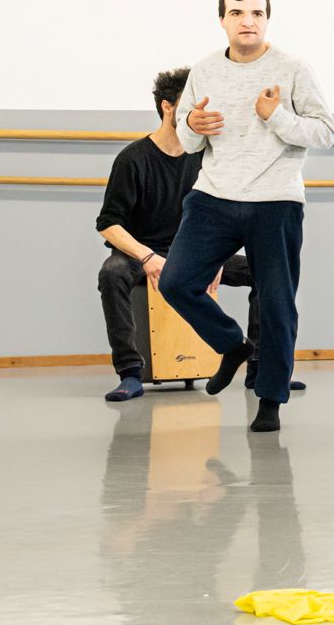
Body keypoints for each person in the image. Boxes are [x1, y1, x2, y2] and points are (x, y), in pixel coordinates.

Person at [160, 0, 334, 433]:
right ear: (223, 20)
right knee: (176, 281)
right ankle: (232, 345)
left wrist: (276, 117)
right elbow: (188, 141)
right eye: (237, 13)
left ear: (267, 19)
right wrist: (193, 122)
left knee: (277, 304)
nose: (247, 21)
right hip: (213, 197)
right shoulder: (204, 70)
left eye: (256, 13)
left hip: (275, 200)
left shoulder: (293, 68)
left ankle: (270, 399)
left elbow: (324, 132)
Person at [95, 66, 272, 402]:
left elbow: (225, 212)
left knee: (267, 270)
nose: (199, 113)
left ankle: (260, 368)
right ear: (167, 107)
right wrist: (147, 257)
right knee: (112, 273)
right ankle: (130, 373)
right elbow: (108, 223)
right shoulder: (133, 159)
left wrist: (217, 256)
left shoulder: (206, 156)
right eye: (190, 104)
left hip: (195, 250)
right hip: (143, 252)